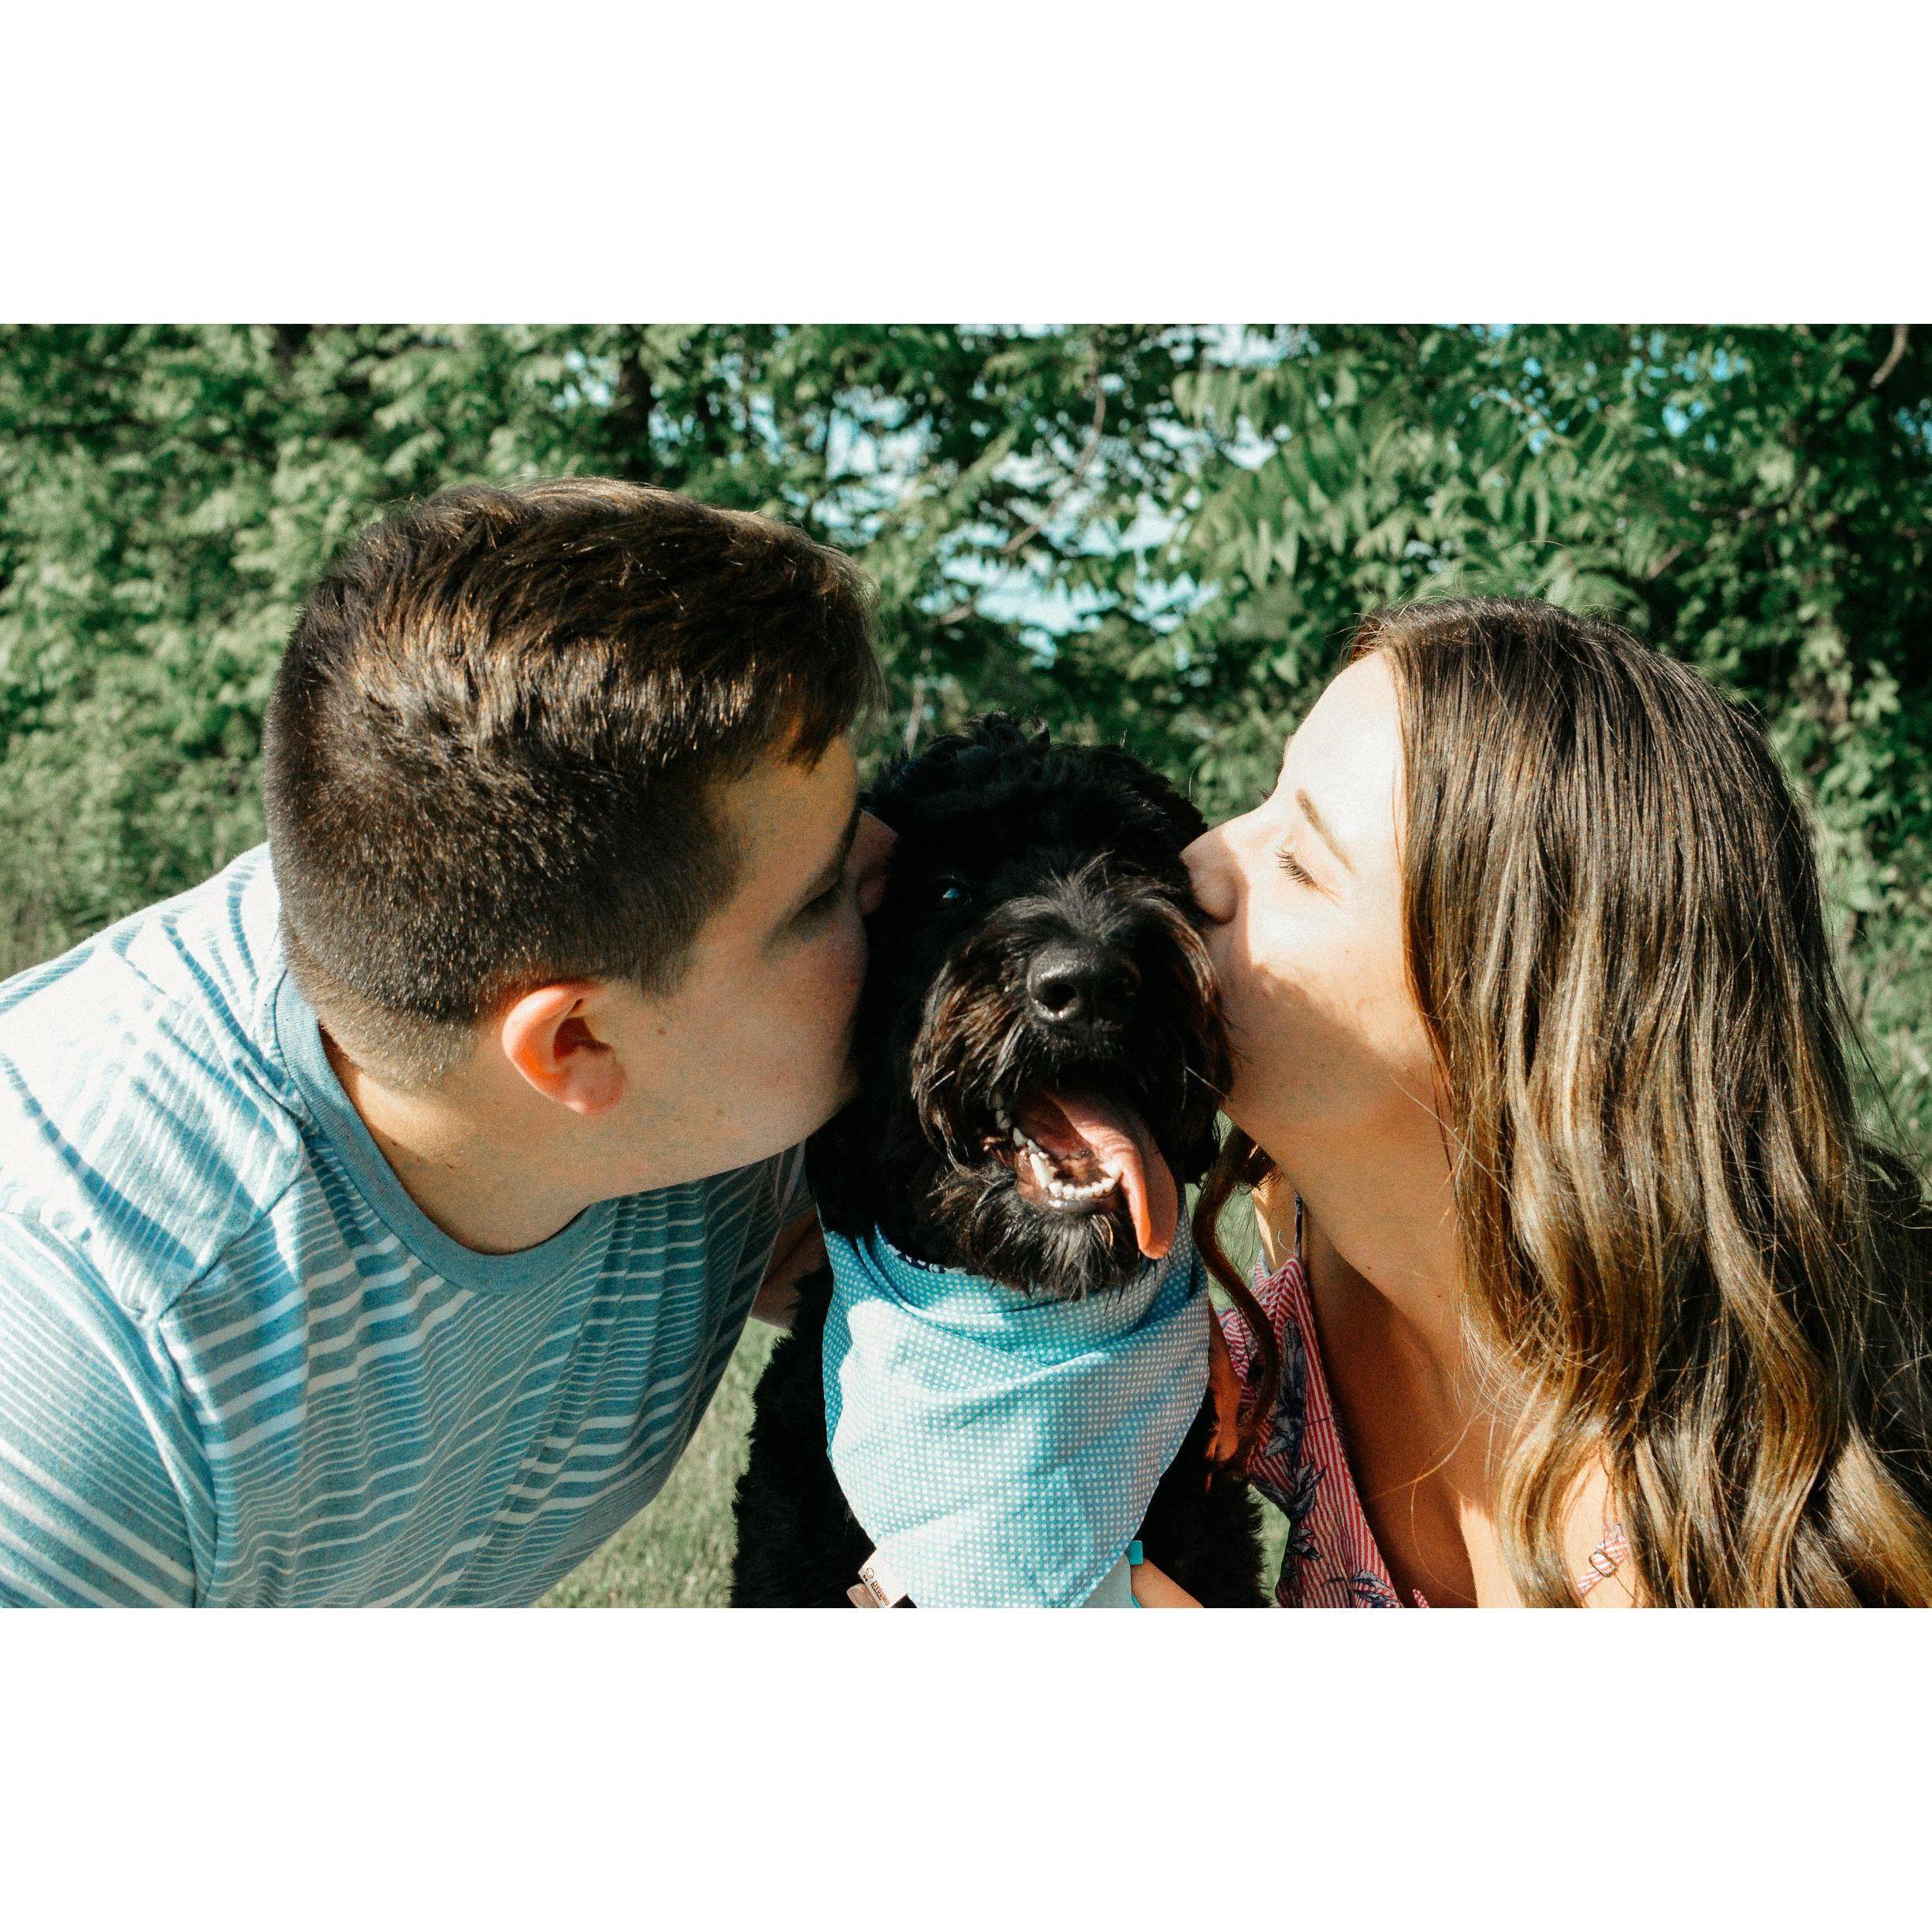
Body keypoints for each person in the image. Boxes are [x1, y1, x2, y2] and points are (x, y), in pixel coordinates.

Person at [0, 478, 894, 1606]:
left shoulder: (702, 1062)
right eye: (822, 897)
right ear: (572, 1046)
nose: (897, 874)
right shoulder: (90, 1377)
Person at [1184, 596, 1932, 1607]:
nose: (1198, 866)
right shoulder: (1299, 1253)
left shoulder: (1779, 1516)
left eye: (1300, 864)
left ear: (1507, 1029)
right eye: (1263, 800)